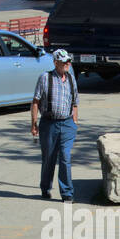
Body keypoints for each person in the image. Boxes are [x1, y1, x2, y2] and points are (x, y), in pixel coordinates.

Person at [31, 48, 78, 201]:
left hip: (67, 124)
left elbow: (75, 102)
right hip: (49, 124)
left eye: (68, 61)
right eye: (64, 62)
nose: (68, 64)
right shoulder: (45, 78)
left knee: (65, 157)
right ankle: (45, 188)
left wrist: (75, 122)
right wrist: (34, 123)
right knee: (48, 159)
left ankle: (67, 193)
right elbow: (36, 102)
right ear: (56, 62)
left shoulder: (71, 78)